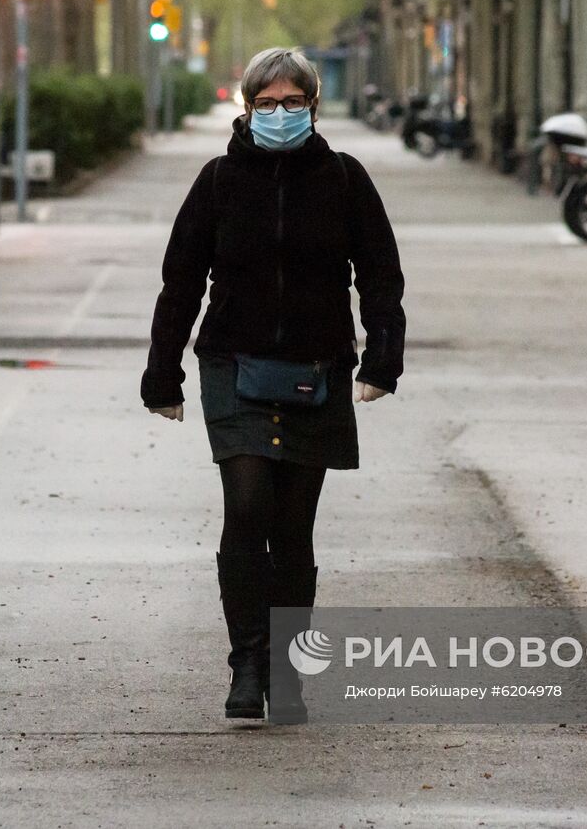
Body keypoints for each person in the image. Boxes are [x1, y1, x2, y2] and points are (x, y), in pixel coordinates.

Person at [140, 47, 406, 724]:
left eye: (293, 103)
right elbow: (180, 281)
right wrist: (161, 371)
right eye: (267, 104)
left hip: (316, 371)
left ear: (313, 108)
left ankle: (287, 671)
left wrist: (382, 361)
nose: (280, 114)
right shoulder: (219, 180)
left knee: (293, 526)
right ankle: (247, 662)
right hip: (232, 364)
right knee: (249, 502)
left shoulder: (345, 180)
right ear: (247, 107)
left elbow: (380, 276)